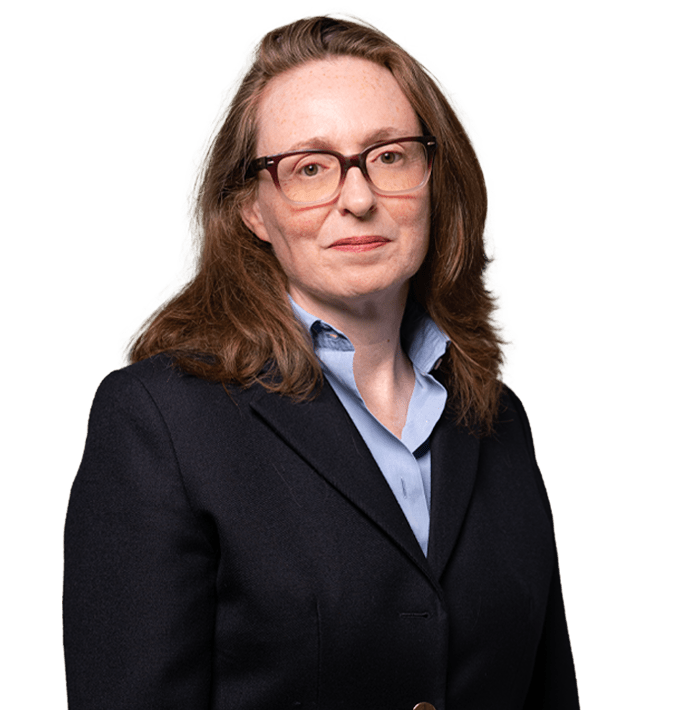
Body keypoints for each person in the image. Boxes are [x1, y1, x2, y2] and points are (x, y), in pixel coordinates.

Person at [62, 12, 580, 710]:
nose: (359, 198)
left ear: (435, 178)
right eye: (309, 168)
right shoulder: (160, 422)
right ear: (252, 209)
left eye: (389, 156)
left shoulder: (497, 418)